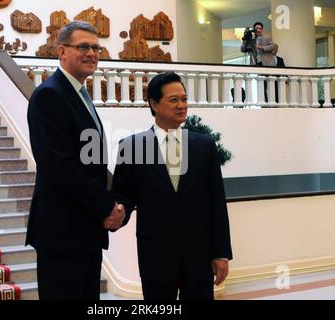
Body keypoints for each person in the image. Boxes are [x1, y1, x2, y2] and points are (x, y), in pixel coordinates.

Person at [26, 21, 125, 300]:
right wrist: (106, 204)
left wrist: (115, 200)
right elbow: (59, 165)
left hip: (85, 227)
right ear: (62, 51)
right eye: (83, 47)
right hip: (62, 231)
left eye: (96, 48)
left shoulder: (80, 94)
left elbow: (89, 161)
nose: (92, 53)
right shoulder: (50, 94)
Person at [112, 72, 233, 300]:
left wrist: (221, 253)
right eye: (174, 100)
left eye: (184, 99)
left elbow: (217, 203)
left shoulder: (204, 146)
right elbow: (124, 195)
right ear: (154, 104)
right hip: (156, 256)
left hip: (199, 256)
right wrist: (115, 214)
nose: (182, 106)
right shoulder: (132, 147)